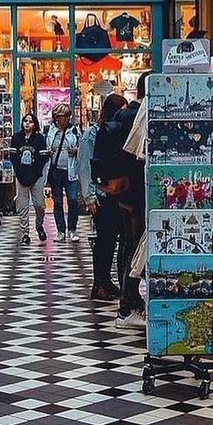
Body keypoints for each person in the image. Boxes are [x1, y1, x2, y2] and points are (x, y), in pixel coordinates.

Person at [112, 73, 149, 328]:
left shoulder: (123, 116)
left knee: (129, 245)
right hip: (137, 194)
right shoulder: (136, 118)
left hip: (127, 195)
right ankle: (129, 304)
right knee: (135, 247)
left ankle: (130, 301)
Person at [85, 93, 127, 301]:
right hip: (101, 195)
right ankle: (99, 283)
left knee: (110, 241)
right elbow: (87, 166)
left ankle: (106, 282)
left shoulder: (113, 132)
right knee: (104, 241)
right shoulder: (93, 134)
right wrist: (90, 195)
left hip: (112, 194)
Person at [10, 113, 49, 244]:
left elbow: (43, 157)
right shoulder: (16, 137)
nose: (27, 123)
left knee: (39, 204)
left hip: (36, 175)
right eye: (25, 121)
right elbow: (13, 156)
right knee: (23, 206)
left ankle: (39, 225)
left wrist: (37, 171)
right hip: (21, 176)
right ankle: (25, 233)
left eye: (30, 121)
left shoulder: (39, 138)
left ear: (35, 124)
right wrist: (18, 171)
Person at [45, 103, 80, 242]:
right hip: (56, 170)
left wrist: (76, 151)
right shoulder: (50, 130)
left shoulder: (74, 131)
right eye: (63, 116)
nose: (66, 119)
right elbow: (47, 146)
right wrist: (48, 152)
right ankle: (60, 230)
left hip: (71, 170)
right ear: (56, 118)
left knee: (72, 199)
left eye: (67, 116)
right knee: (58, 201)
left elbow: (81, 147)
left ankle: (72, 229)